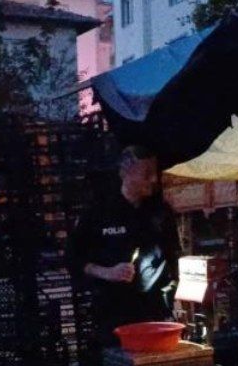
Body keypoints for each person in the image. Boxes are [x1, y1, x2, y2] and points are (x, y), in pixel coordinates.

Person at [66, 146, 181, 344]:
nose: (153, 179)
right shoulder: (98, 213)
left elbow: (174, 257)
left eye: (155, 173)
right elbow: (73, 258)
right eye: (147, 173)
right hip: (114, 315)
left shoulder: (161, 213)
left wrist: (174, 294)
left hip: (155, 313)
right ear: (125, 172)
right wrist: (107, 272)